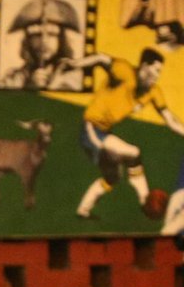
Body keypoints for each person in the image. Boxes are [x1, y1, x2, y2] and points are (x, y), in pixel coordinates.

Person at [73, 49, 184, 219]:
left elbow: (170, 120)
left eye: (159, 72)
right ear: (144, 66)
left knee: (113, 178)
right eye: (155, 70)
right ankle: (145, 202)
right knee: (132, 154)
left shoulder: (153, 92)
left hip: (104, 132)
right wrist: (75, 63)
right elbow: (101, 58)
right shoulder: (124, 72)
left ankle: (83, 211)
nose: (157, 76)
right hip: (91, 130)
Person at [0, 0, 85, 91]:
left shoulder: (73, 76)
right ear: (27, 40)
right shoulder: (12, 78)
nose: (44, 41)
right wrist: (30, 87)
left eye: (52, 34)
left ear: (61, 40)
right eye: (36, 34)